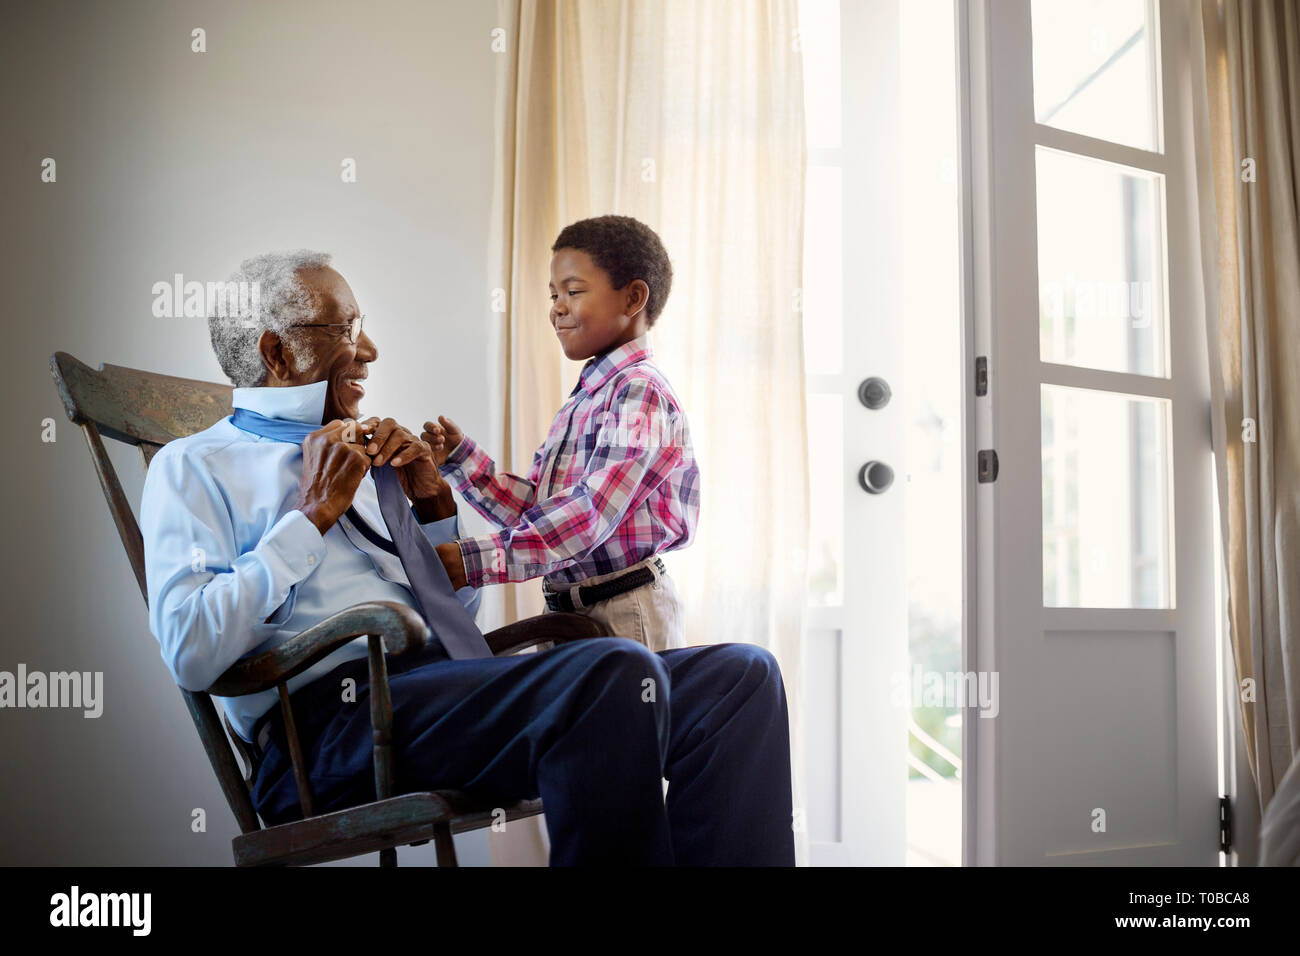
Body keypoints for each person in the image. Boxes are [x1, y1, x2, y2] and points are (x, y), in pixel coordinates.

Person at [139, 248, 794, 865]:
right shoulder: (193, 467)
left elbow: (453, 620)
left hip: (435, 693)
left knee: (740, 679)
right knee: (608, 669)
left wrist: (431, 509)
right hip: (326, 735)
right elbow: (192, 648)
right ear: (277, 352)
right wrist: (309, 521)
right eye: (344, 330)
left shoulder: (363, 459)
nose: (368, 351)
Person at [427, 216, 697, 652]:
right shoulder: (586, 398)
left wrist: (476, 560)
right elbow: (545, 509)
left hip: (622, 611)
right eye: (553, 295)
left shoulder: (639, 392)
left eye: (573, 291)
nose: (556, 306)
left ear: (633, 298)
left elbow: (589, 513)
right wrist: (464, 463)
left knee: (621, 722)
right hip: (568, 612)